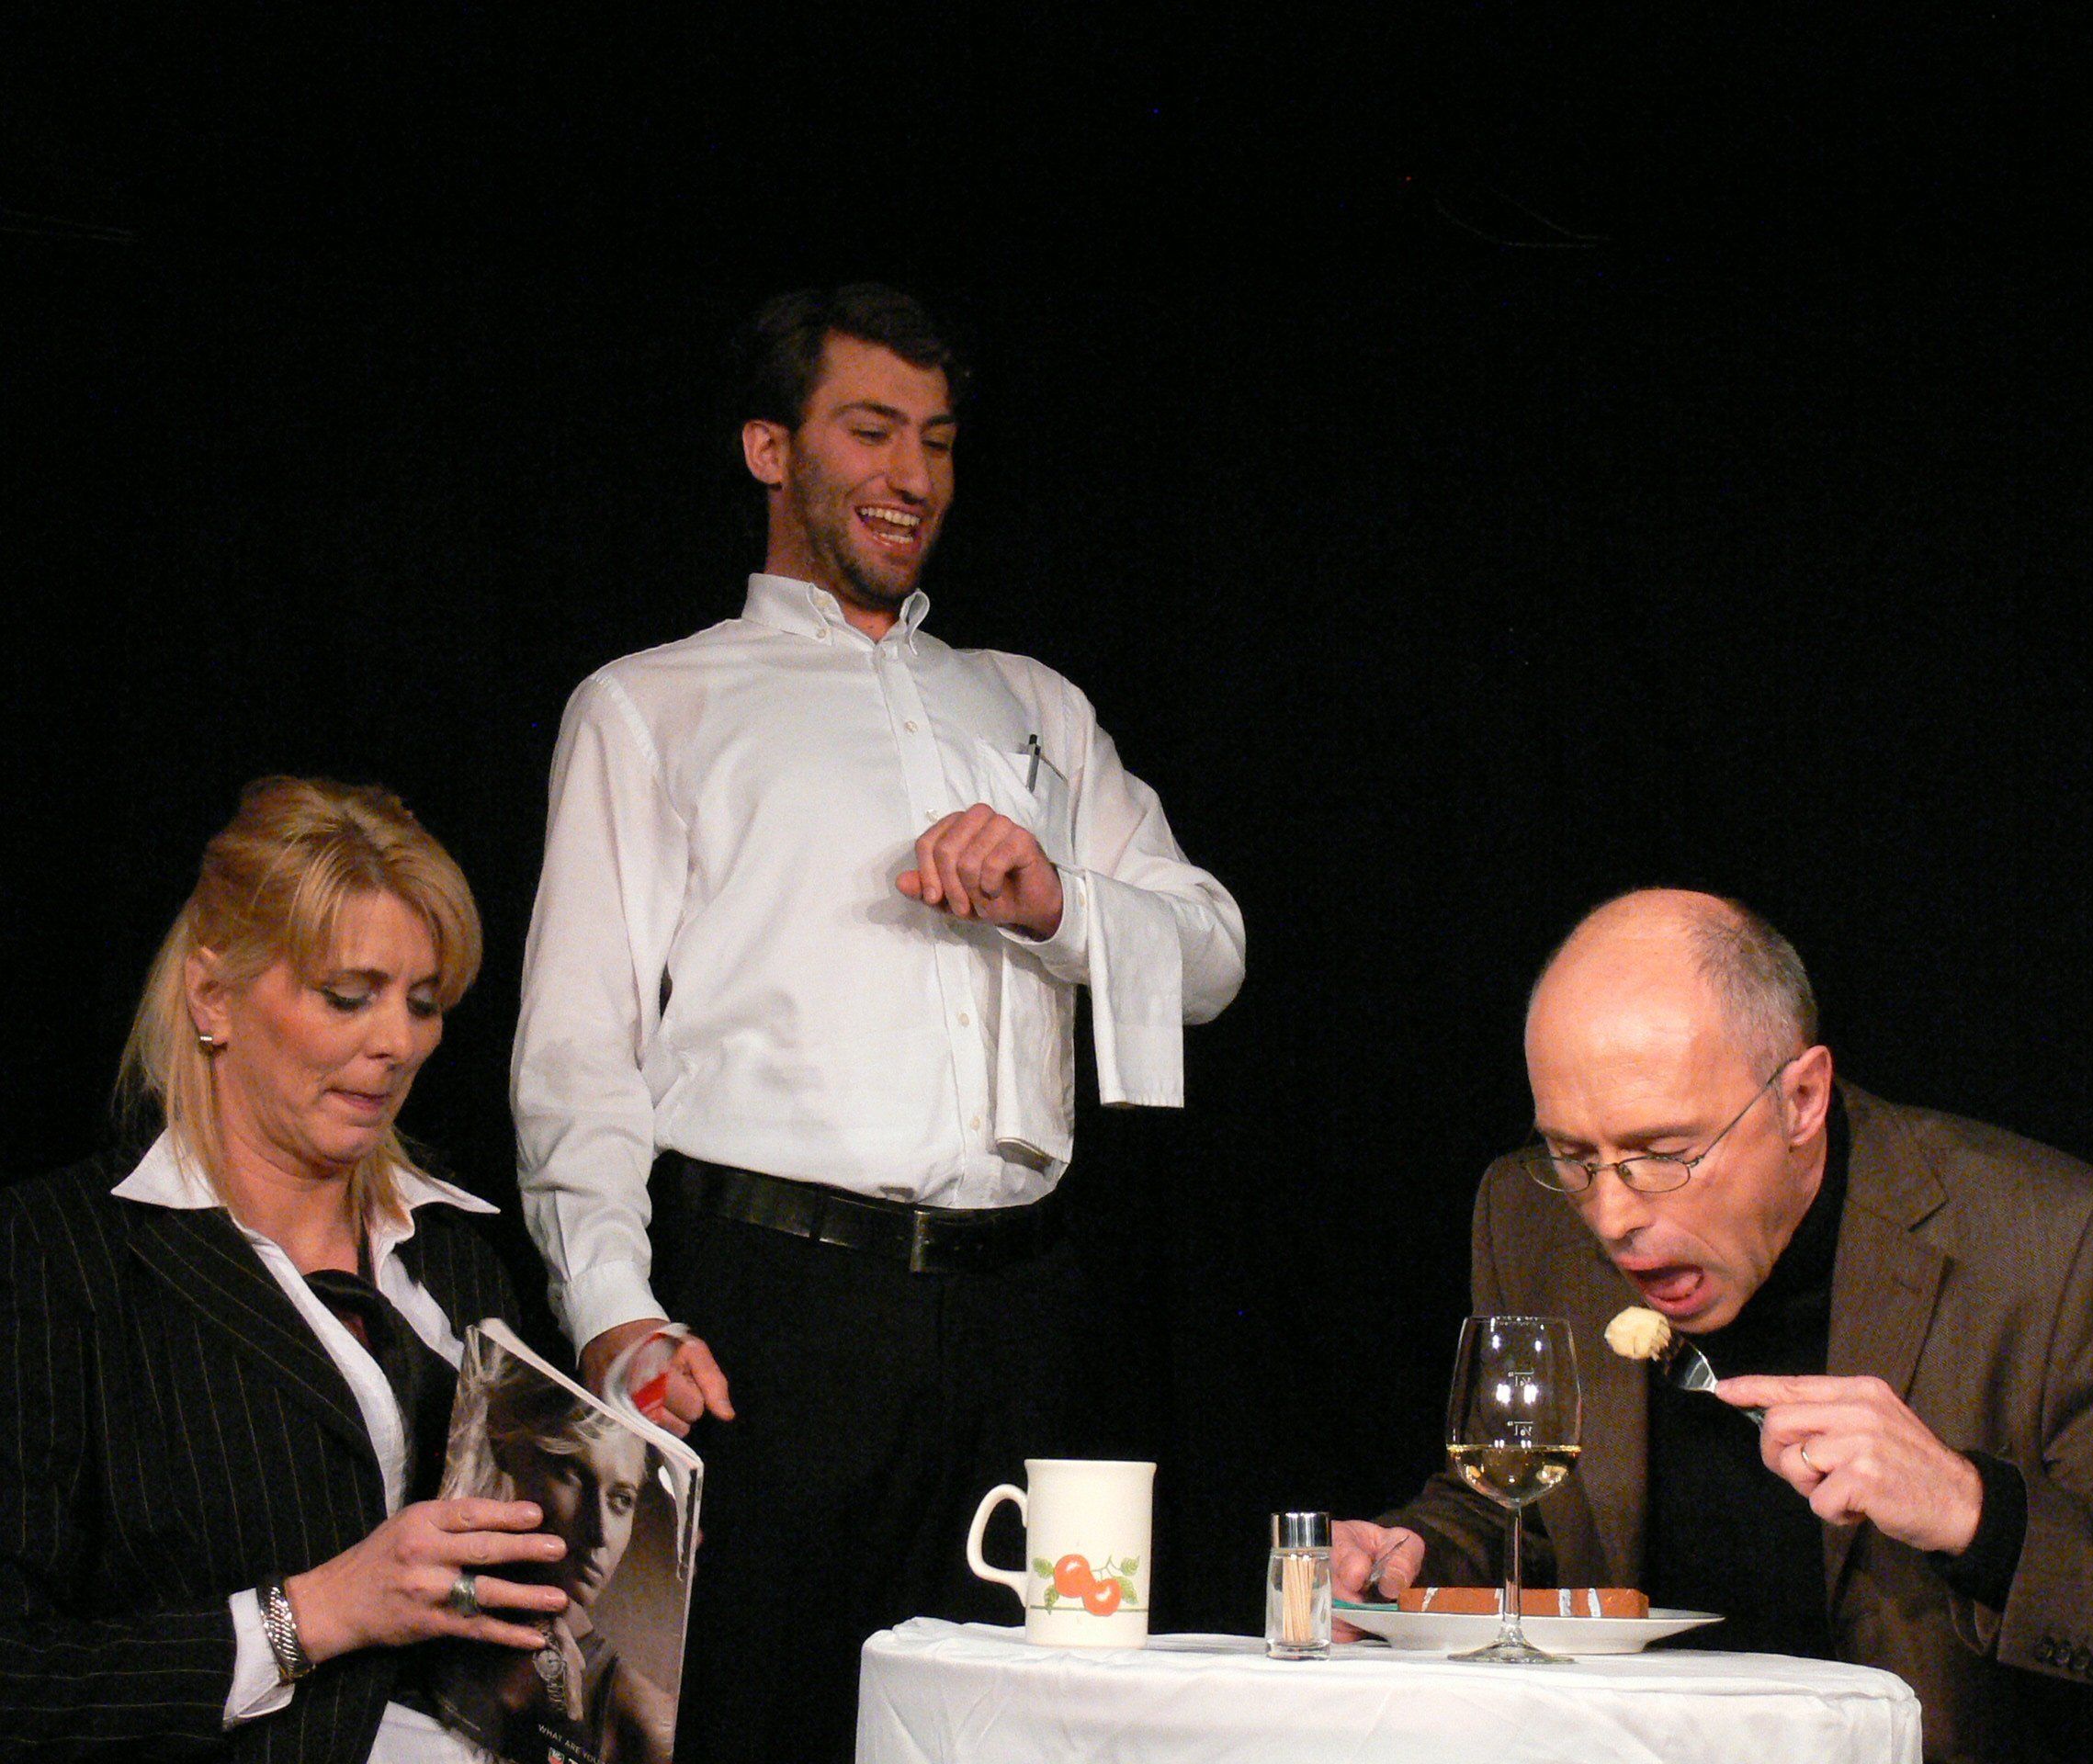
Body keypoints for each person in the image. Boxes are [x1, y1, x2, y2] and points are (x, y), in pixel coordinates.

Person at [511, 283, 1245, 1760]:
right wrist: (613, 1310)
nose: (913, 475)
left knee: (1012, 1731)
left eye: (939, 440)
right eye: (870, 430)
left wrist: (1059, 902)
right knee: (750, 1725)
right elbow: (580, 1050)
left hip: (1023, 1316)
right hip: (771, 1315)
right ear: (770, 450)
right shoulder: (653, 705)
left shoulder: (1030, 704)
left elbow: (1212, 952)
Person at [1336, 888, 2093, 1764]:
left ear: (1800, 1099)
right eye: (1572, 1153)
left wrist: (1976, 1512)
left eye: (1663, 1154)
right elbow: (1521, 1507)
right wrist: (1408, 1557)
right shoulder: (1528, 1215)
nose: (1613, 1213)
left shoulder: (2048, 1245)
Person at [0, 776, 571, 1764]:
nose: (397, 1043)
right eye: (348, 997)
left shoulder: (456, 1259)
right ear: (213, 996)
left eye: (424, 1004)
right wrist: (312, 1614)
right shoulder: (58, 1257)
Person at [436, 1358, 673, 1764]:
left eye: (621, 1500)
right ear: (506, 1445)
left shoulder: (645, 1720)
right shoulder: (440, 1581)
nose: (600, 1532)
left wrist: (562, 1725)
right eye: (573, 1475)